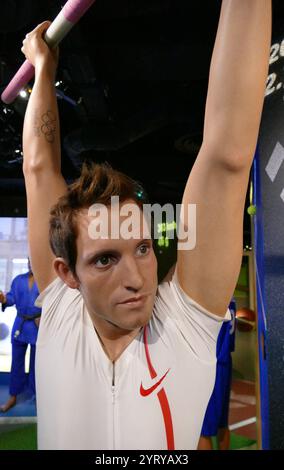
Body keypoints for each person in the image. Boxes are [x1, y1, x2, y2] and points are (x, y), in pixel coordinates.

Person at [21, 0, 271, 450]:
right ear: (67, 274)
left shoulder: (185, 326)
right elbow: (38, 167)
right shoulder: (59, 313)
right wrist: (43, 67)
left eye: (141, 248)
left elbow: (227, 156)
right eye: (104, 260)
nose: (136, 278)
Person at [0, 260, 41, 412]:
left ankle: (37, 396)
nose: (32, 263)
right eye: (29, 260)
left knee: (37, 364)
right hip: (20, 325)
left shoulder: (45, 281)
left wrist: (43, 315)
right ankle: (13, 396)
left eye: (34, 260)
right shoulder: (18, 280)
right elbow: (11, 299)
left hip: (38, 326)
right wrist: (4, 299)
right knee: (16, 363)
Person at [198, 299, 236, 450]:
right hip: (225, 363)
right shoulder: (231, 300)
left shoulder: (215, 298)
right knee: (222, 424)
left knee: (202, 431)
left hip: (213, 365)